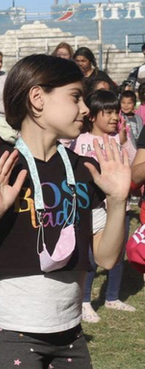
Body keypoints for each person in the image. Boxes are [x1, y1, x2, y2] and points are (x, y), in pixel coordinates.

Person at [0, 54, 131, 369]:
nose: (85, 108)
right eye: (76, 97)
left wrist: (117, 202)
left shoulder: (84, 170)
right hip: (15, 334)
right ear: (38, 99)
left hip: (70, 332)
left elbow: (108, 258)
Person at [69, 90, 136, 323]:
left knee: (117, 253)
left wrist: (125, 143)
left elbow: (134, 163)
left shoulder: (120, 139)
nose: (114, 117)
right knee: (90, 255)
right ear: (93, 115)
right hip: (92, 209)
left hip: (119, 207)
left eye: (116, 112)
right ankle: (85, 301)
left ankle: (112, 297)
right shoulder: (79, 139)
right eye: (107, 112)